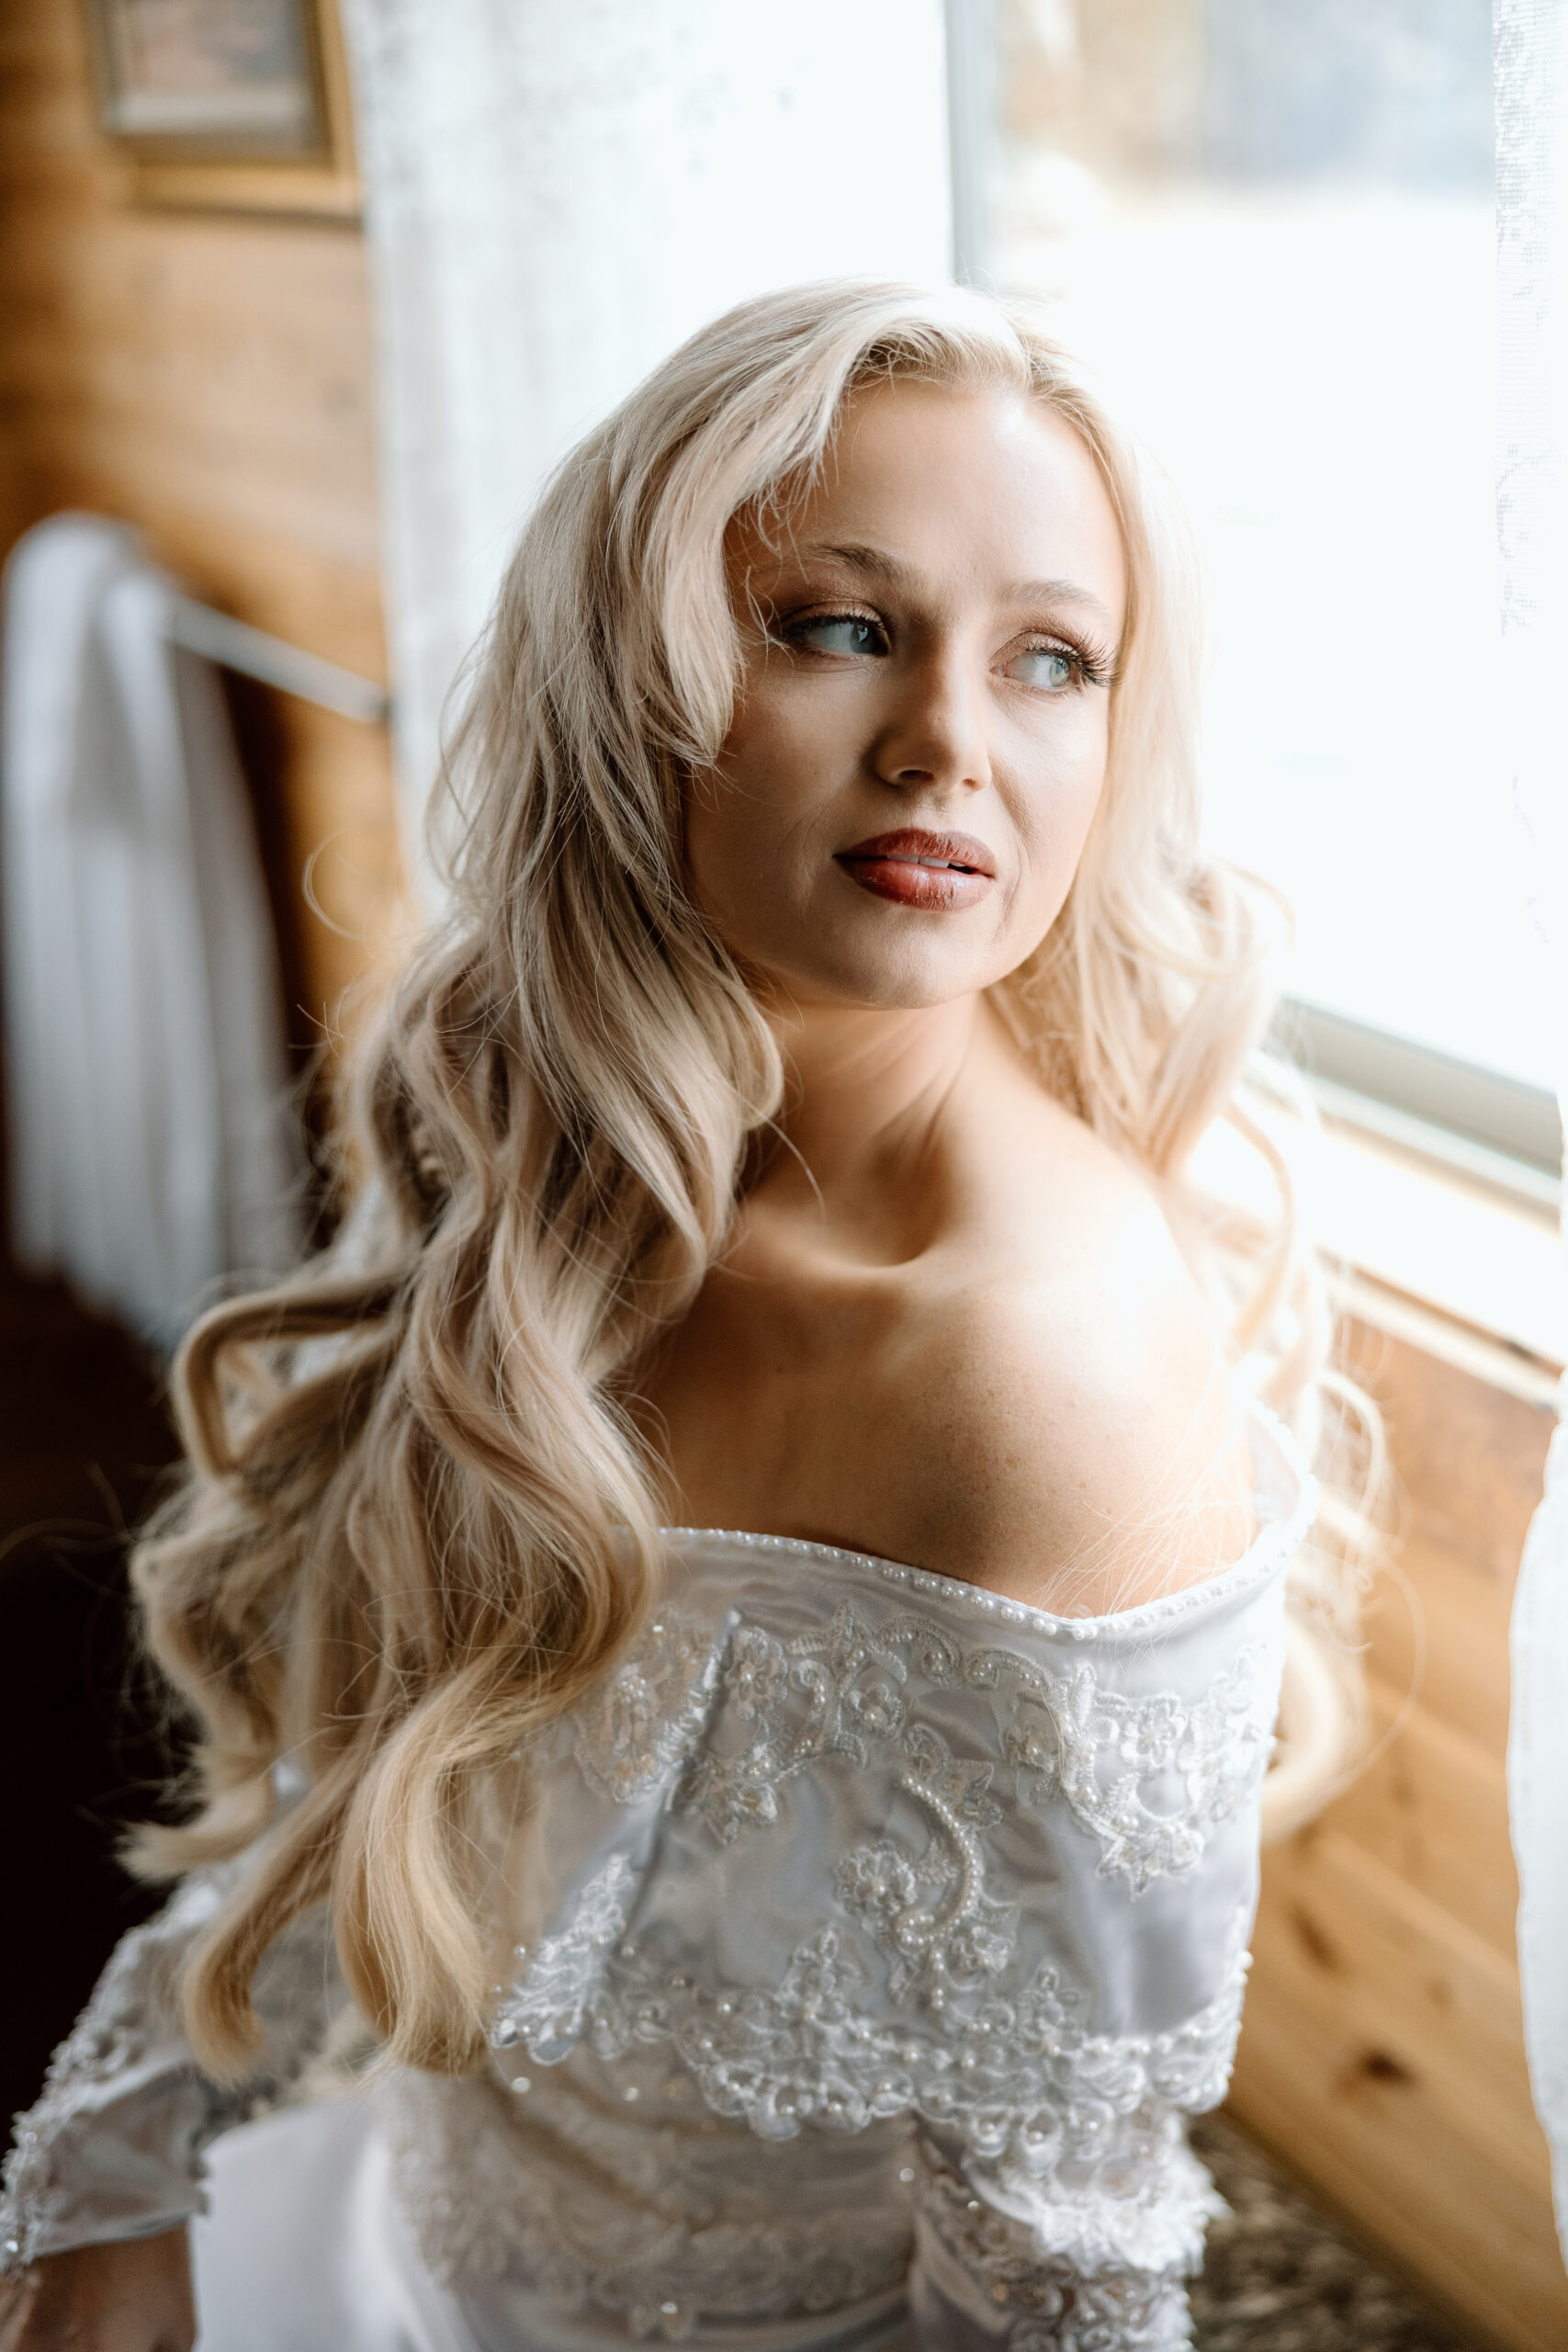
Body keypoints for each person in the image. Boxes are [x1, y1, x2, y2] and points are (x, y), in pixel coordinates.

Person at [0, 281, 1342, 2352]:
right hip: (401, 2249)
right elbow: (371, 1777)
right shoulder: (558, 1157)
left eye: (1049, 660)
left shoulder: (1031, 1377)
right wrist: (125, 2137)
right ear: (624, 676)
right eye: (837, 625)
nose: (947, 747)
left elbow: (1058, 2277)